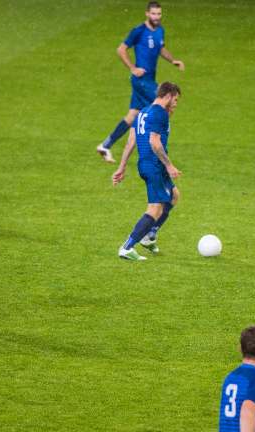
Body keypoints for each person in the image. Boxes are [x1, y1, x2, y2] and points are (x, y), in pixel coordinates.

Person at [96, 1, 185, 163]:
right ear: (147, 13)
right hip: (141, 80)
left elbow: (160, 49)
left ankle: (105, 145)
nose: (156, 17)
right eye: (153, 14)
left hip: (148, 79)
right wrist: (132, 67)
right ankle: (157, 147)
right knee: (165, 103)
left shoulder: (160, 31)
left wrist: (173, 61)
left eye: (159, 14)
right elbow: (121, 49)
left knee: (132, 116)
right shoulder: (139, 31)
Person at [112, 82, 181, 260]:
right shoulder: (160, 113)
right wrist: (169, 165)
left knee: (174, 196)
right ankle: (127, 247)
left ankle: (149, 236)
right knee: (155, 209)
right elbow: (154, 142)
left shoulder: (143, 111)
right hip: (154, 165)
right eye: (175, 99)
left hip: (148, 164)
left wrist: (122, 166)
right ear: (168, 95)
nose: (176, 103)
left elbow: (130, 142)